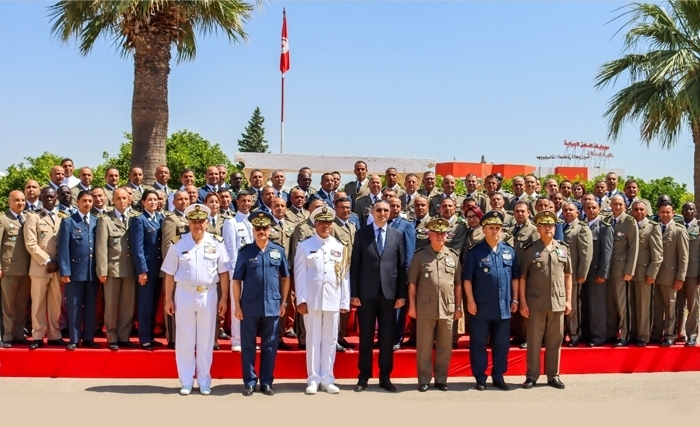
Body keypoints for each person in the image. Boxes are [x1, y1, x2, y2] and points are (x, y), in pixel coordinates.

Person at [162, 204, 230, 396]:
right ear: (188, 223)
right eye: (194, 221)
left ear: (207, 223)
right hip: (183, 293)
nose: (198, 225)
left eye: (201, 221)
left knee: (206, 340)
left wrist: (224, 298)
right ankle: (186, 381)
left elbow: (223, 272)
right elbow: (169, 273)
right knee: (184, 339)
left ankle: (204, 380)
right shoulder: (178, 243)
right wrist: (168, 299)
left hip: (208, 294)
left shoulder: (217, 242)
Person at [350, 200, 407, 392]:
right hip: (366, 294)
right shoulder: (362, 234)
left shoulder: (397, 235)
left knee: (387, 337)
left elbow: (401, 266)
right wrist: (354, 293)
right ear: (372, 212)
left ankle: (385, 377)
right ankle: (363, 376)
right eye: (379, 210)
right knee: (365, 337)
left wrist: (401, 295)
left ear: (390, 213)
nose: (382, 213)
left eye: (385, 210)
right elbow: (355, 265)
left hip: (389, 295)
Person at [232, 211, 290, 397]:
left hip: (272, 306)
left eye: (264, 228)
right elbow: (236, 281)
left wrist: (284, 302)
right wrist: (237, 306)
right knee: (248, 345)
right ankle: (249, 382)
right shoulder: (245, 252)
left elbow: (286, 278)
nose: (261, 231)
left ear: (269, 229)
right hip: (249, 306)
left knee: (270, 346)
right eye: (258, 228)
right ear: (253, 229)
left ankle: (266, 382)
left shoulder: (278, 251)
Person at [294, 206, 350, 394]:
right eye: (321, 222)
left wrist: (344, 301)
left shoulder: (339, 247)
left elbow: (344, 276)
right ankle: (313, 378)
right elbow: (299, 275)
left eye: (328, 222)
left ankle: (327, 378)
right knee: (312, 339)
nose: (325, 225)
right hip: (312, 300)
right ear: (315, 223)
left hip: (332, 299)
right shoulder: (305, 245)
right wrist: (300, 300)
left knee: (330, 339)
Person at [463, 211, 519, 390]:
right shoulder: (475, 252)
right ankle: (480, 377)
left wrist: (516, 300)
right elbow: (467, 279)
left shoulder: (509, 251)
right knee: (478, 343)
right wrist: (470, 301)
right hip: (481, 307)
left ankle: (498, 375)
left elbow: (515, 278)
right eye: (491, 228)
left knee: (502, 343)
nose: (495, 231)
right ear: (484, 229)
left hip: (503, 307)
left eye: (498, 228)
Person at [407, 218, 462, 392]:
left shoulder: (453, 255)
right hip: (425, 308)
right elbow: (412, 284)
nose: (440, 236)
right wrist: (412, 307)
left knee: (445, 346)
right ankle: (424, 379)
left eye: (443, 233)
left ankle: (441, 379)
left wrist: (458, 307)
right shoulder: (420, 255)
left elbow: (458, 284)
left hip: (447, 307)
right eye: (436, 233)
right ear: (429, 235)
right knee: (424, 346)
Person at [519, 210, 572, 390]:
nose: (548, 228)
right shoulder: (530, 250)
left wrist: (568, 300)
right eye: (544, 225)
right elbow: (523, 278)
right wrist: (523, 302)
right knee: (533, 341)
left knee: (555, 340)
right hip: (536, 303)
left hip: (557, 302)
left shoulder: (563, 248)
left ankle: (553, 375)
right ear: (538, 228)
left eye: (551, 225)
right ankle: (532, 376)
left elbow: (568, 276)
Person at [95, 187, 139, 350]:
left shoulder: (135, 218)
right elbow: (101, 247)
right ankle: (112, 337)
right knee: (111, 306)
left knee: (128, 306)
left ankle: (124, 336)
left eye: (124, 198)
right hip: (112, 269)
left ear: (129, 200)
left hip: (130, 269)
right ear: (112, 200)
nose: (121, 201)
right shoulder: (105, 219)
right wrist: (102, 270)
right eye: (118, 198)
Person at [25, 187, 67, 349]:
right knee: (38, 303)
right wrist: (47, 260)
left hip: (57, 268)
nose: (49, 199)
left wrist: (58, 263)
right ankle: (37, 335)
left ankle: (54, 334)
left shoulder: (61, 217)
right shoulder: (33, 217)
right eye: (46, 196)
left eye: (52, 196)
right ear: (40, 198)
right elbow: (30, 243)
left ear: (56, 198)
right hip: (40, 267)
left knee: (56, 303)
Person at [57, 190, 99, 350]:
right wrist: (65, 271)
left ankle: (88, 338)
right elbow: (63, 249)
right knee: (74, 307)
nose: (87, 204)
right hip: (74, 272)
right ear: (78, 202)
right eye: (84, 201)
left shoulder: (96, 221)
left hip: (91, 272)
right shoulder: (69, 222)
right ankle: (74, 339)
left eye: (90, 201)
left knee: (90, 307)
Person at [130, 189, 164, 350]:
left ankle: (150, 335)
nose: (153, 202)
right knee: (145, 304)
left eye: (155, 200)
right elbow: (138, 248)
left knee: (154, 304)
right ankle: (144, 338)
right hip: (147, 269)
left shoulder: (161, 219)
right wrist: (142, 271)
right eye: (149, 200)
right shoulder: (139, 220)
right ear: (143, 202)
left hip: (159, 269)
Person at [652, 201, 689, 346]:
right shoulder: (655, 228)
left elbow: (684, 257)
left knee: (670, 308)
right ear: (658, 213)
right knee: (656, 307)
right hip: (655, 275)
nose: (665, 215)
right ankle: (656, 334)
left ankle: (669, 335)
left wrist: (680, 277)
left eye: (668, 212)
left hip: (670, 276)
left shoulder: (679, 231)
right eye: (662, 212)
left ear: (673, 213)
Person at [222, 191, 254, 351]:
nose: (246, 203)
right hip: (238, 272)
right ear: (237, 202)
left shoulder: (255, 222)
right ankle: (236, 339)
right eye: (243, 201)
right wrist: (236, 273)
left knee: (252, 308)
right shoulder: (231, 222)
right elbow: (230, 249)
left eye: (249, 200)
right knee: (237, 306)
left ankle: (249, 340)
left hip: (254, 272)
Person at [606, 194, 639, 346]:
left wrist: (629, 270)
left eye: (620, 204)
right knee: (611, 303)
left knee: (623, 304)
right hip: (608, 270)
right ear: (610, 206)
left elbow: (633, 248)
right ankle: (612, 333)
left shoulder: (629, 222)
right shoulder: (607, 221)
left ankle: (625, 334)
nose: (617, 207)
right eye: (614, 204)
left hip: (621, 270)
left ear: (625, 206)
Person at [629, 200, 662, 346]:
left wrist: (652, 274)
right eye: (636, 209)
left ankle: (643, 336)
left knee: (644, 306)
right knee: (632, 306)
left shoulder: (653, 227)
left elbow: (657, 254)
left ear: (647, 211)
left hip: (644, 274)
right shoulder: (630, 225)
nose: (639, 212)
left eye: (642, 209)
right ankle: (634, 334)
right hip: (629, 273)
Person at [0, 191, 31, 347]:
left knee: (21, 305)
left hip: (26, 270)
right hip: (9, 269)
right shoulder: (3, 220)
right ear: (9, 202)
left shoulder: (27, 218)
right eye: (17, 200)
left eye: (23, 200)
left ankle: (18, 334)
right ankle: (7, 336)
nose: (20, 203)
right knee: (8, 306)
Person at [561, 202, 593, 347]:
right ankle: (563, 334)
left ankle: (575, 335)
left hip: (574, 276)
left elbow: (586, 254)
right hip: (560, 275)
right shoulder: (560, 227)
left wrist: (582, 274)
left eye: (571, 210)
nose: (568, 212)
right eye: (565, 210)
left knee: (573, 308)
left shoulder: (581, 228)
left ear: (577, 212)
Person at [583, 199, 613, 347]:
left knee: (597, 306)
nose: (591, 210)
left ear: (599, 209)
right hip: (583, 273)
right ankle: (587, 333)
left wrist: (603, 273)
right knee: (586, 305)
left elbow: (607, 252)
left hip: (596, 273)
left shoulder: (604, 227)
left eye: (594, 207)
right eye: (588, 208)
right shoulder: (582, 225)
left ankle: (599, 336)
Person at [677, 202, 700, 346]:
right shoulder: (677, 226)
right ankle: (679, 333)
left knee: (693, 304)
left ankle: (692, 334)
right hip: (678, 271)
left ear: (695, 211)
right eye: (685, 208)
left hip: (693, 271)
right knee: (678, 304)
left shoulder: (699, 228)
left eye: (691, 208)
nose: (688, 211)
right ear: (682, 211)